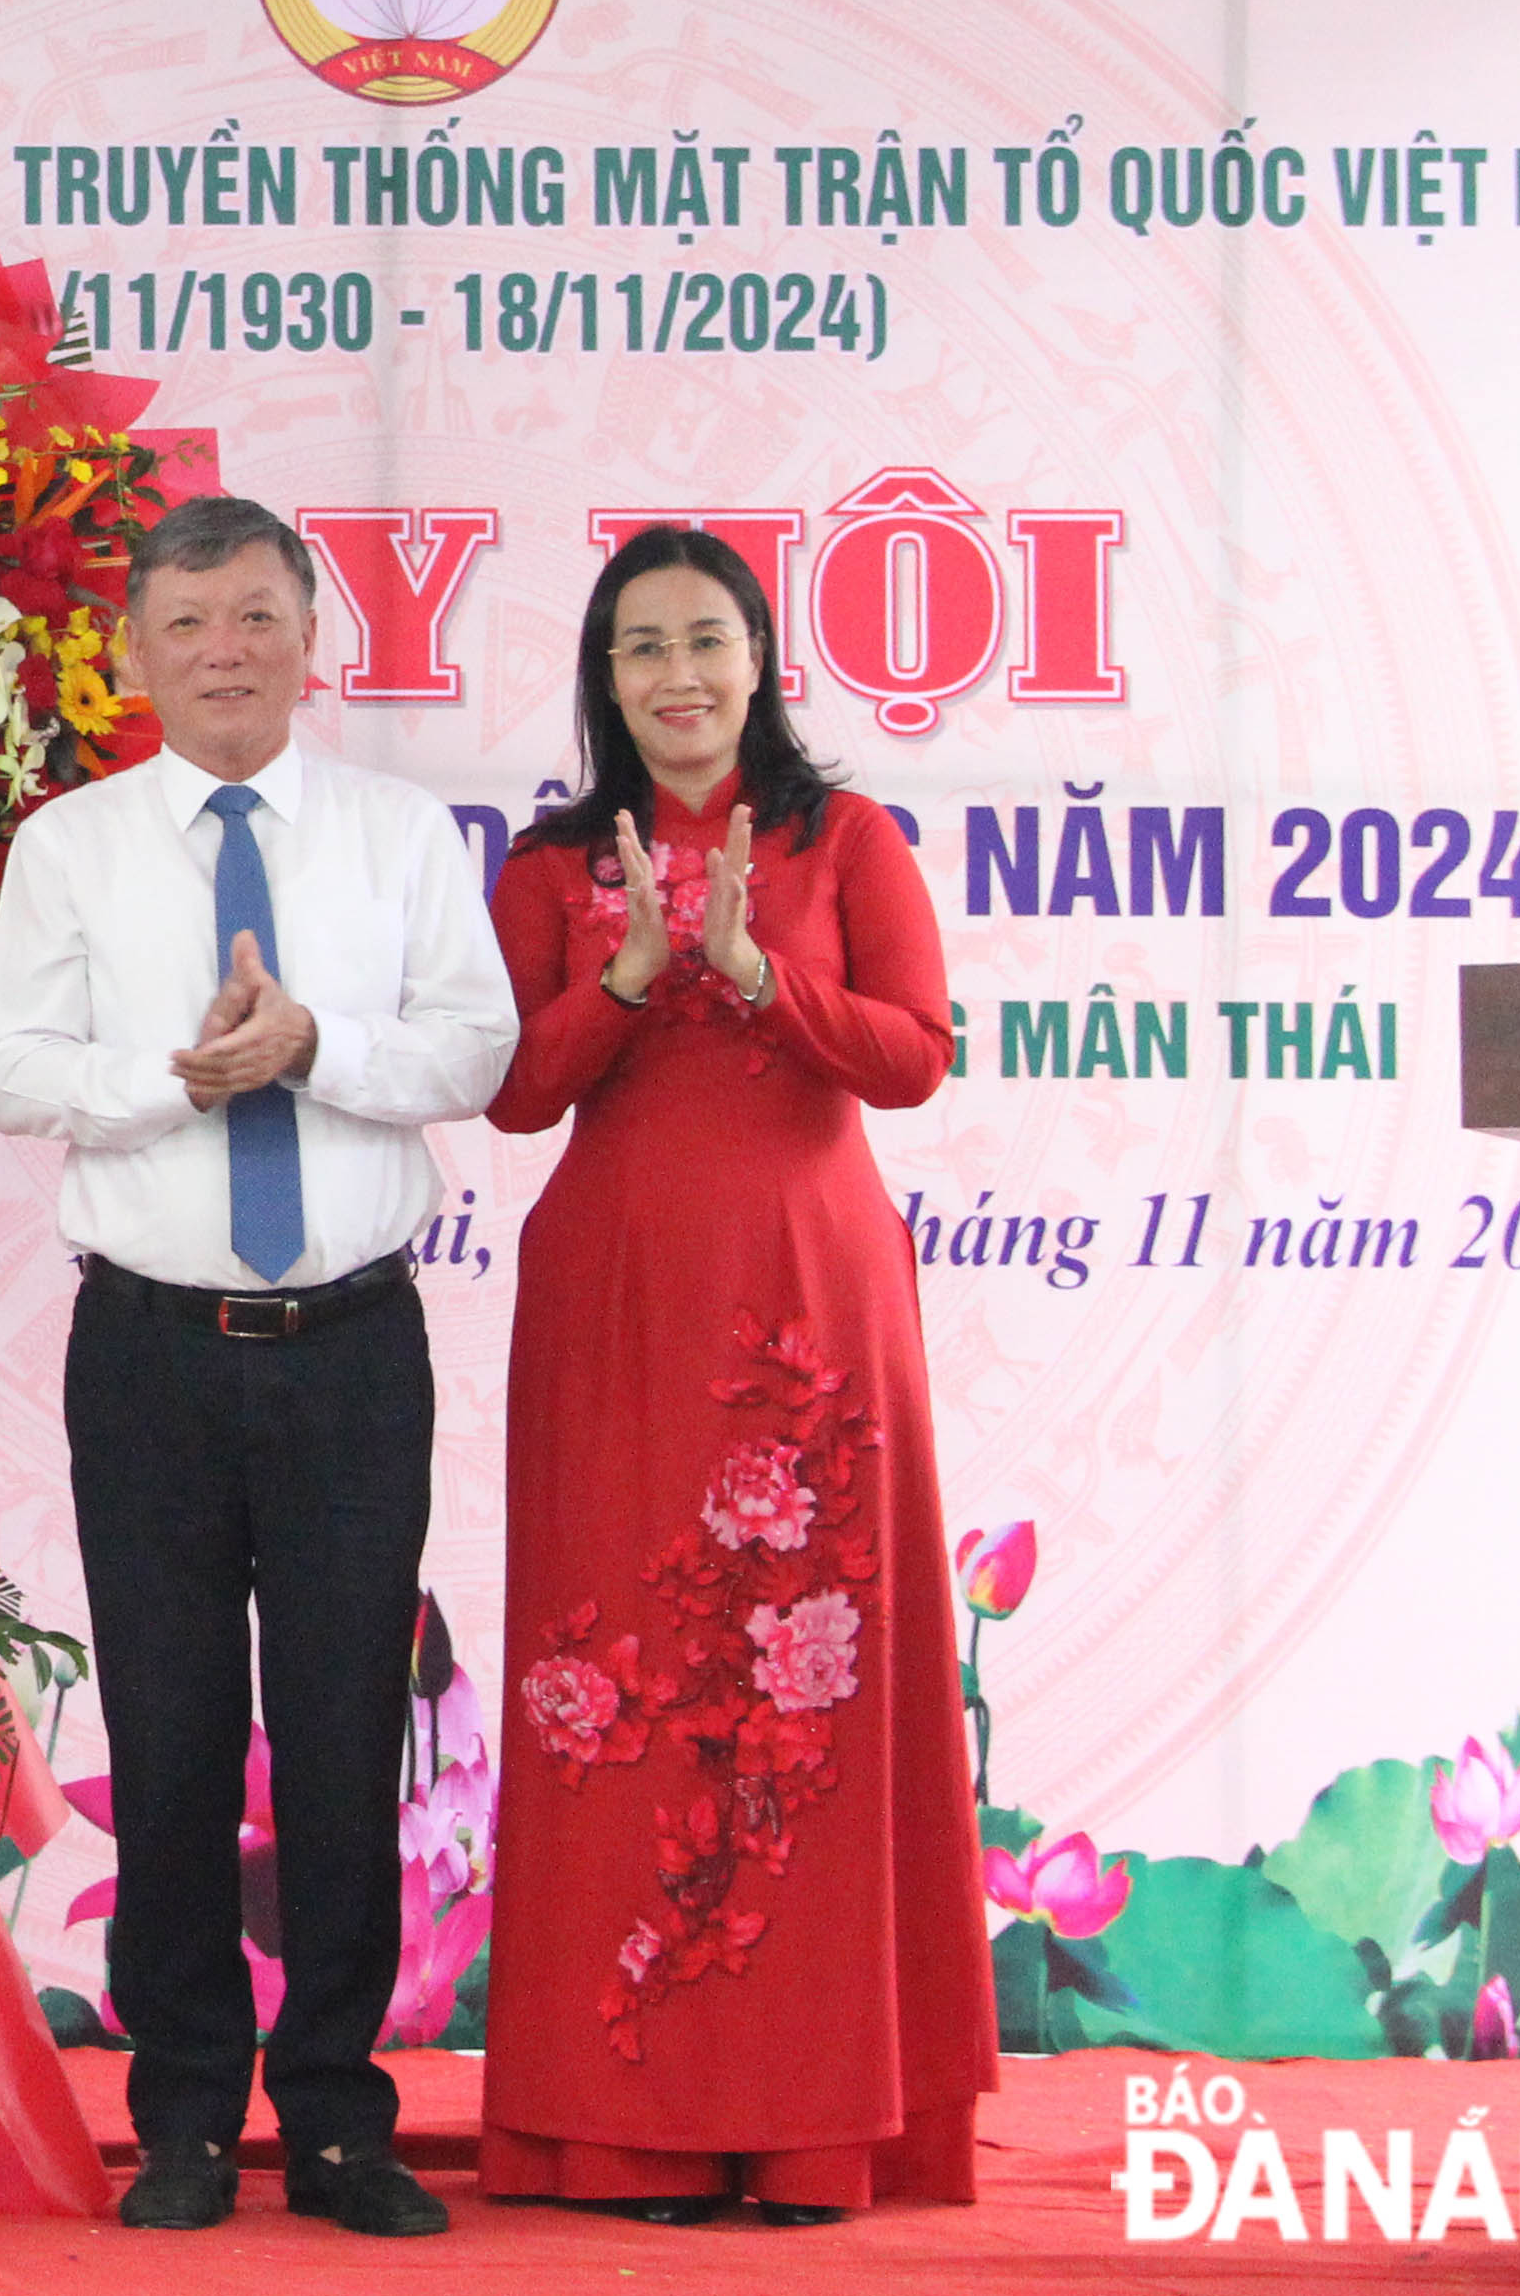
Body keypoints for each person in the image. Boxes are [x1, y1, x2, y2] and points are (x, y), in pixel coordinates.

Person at [0, 494, 519, 2238]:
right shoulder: (71, 844)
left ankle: (345, 2116)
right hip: (149, 1349)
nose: (227, 650)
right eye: (191, 621)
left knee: (353, 1724)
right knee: (178, 1727)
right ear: (134, 652)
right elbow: (14, 1071)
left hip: (355, 1345)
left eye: (261, 617)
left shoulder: (398, 834)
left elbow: (478, 1042)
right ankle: (188, 2114)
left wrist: (316, 1047)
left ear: (312, 640)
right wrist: (179, 1079)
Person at [477, 524, 995, 2223]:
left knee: (805, 1699)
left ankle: (813, 2123)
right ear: (603, 678)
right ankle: (619, 2125)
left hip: (805, 1306)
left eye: (707, 640)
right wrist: (630, 973)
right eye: (641, 647)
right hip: (616, 1303)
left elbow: (917, 1057)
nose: (678, 675)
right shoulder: (553, 864)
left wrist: (767, 976)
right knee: (613, 1692)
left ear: (762, 658)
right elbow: (516, 1095)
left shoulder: (848, 836)